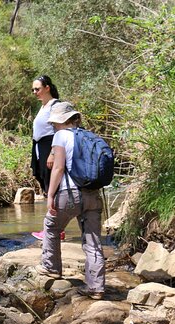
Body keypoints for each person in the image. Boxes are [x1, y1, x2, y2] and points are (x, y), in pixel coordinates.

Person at [34, 102, 106, 299]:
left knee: (51, 226)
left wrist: (50, 195)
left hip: (69, 193)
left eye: (54, 123)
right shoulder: (90, 136)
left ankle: (51, 267)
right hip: (93, 194)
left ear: (61, 121)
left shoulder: (61, 136)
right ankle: (96, 287)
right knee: (93, 241)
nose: (53, 126)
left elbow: (57, 168)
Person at [30, 75, 65, 241]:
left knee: (53, 187)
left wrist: (52, 153)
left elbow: (58, 130)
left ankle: (55, 230)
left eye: (37, 89)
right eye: (33, 89)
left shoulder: (55, 105)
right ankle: (53, 228)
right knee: (46, 185)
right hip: (39, 148)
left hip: (50, 147)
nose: (35, 92)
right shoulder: (43, 106)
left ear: (47, 88)